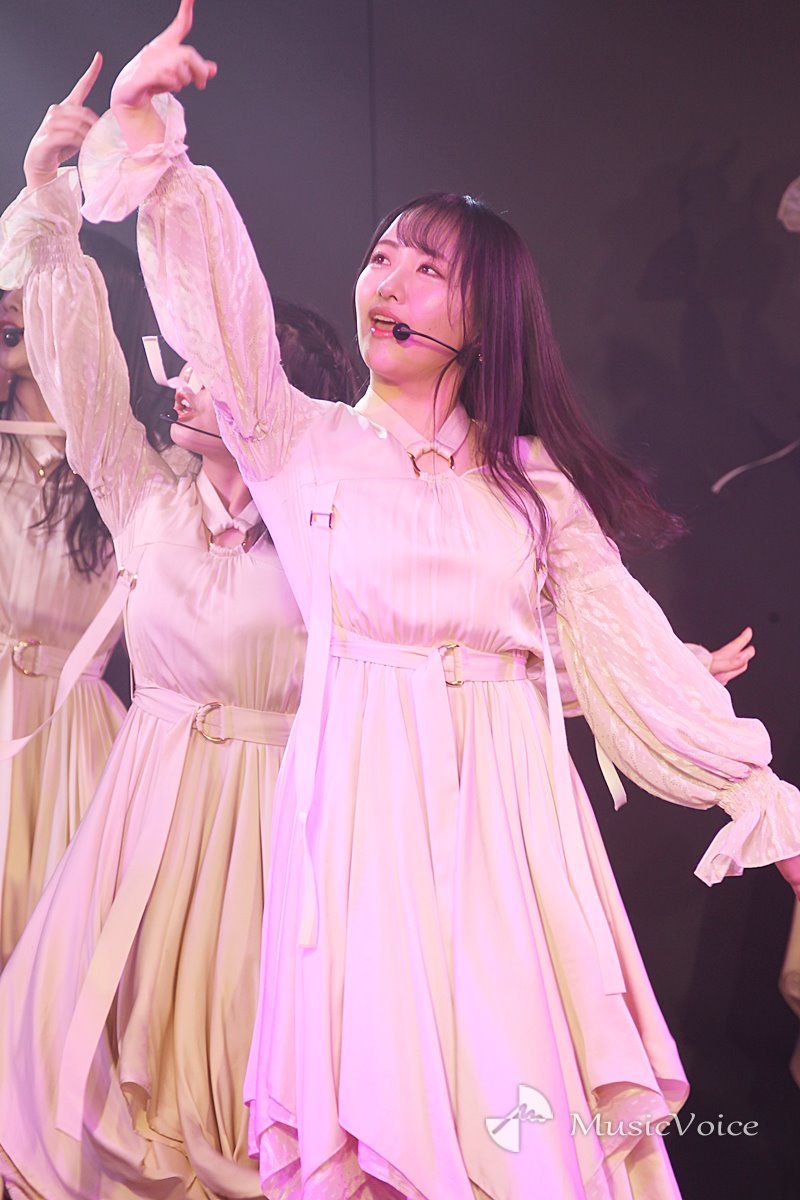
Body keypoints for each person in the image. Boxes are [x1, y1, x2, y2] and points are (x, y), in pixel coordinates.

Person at [67, 7, 800, 1199]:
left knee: (521, 1114)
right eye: (381, 257)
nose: (389, 282)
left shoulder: (532, 483)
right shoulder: (297, 439)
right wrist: (154, 133)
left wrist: (755, 793)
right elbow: (218, 308)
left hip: (509, 818)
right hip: (367, 813)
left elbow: (614, 634)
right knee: (387, 1122)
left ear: (483, 314)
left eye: (427, 268)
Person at [0, 54, 355, 1200]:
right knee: (118, 1054)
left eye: (217, 362)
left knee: (248, 1067)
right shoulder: (146, 501)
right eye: (189, 359)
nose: (187, 378)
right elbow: (81, 371)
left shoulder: (332, 534)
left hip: (271, 825)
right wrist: (48, 197)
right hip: (145, 813)